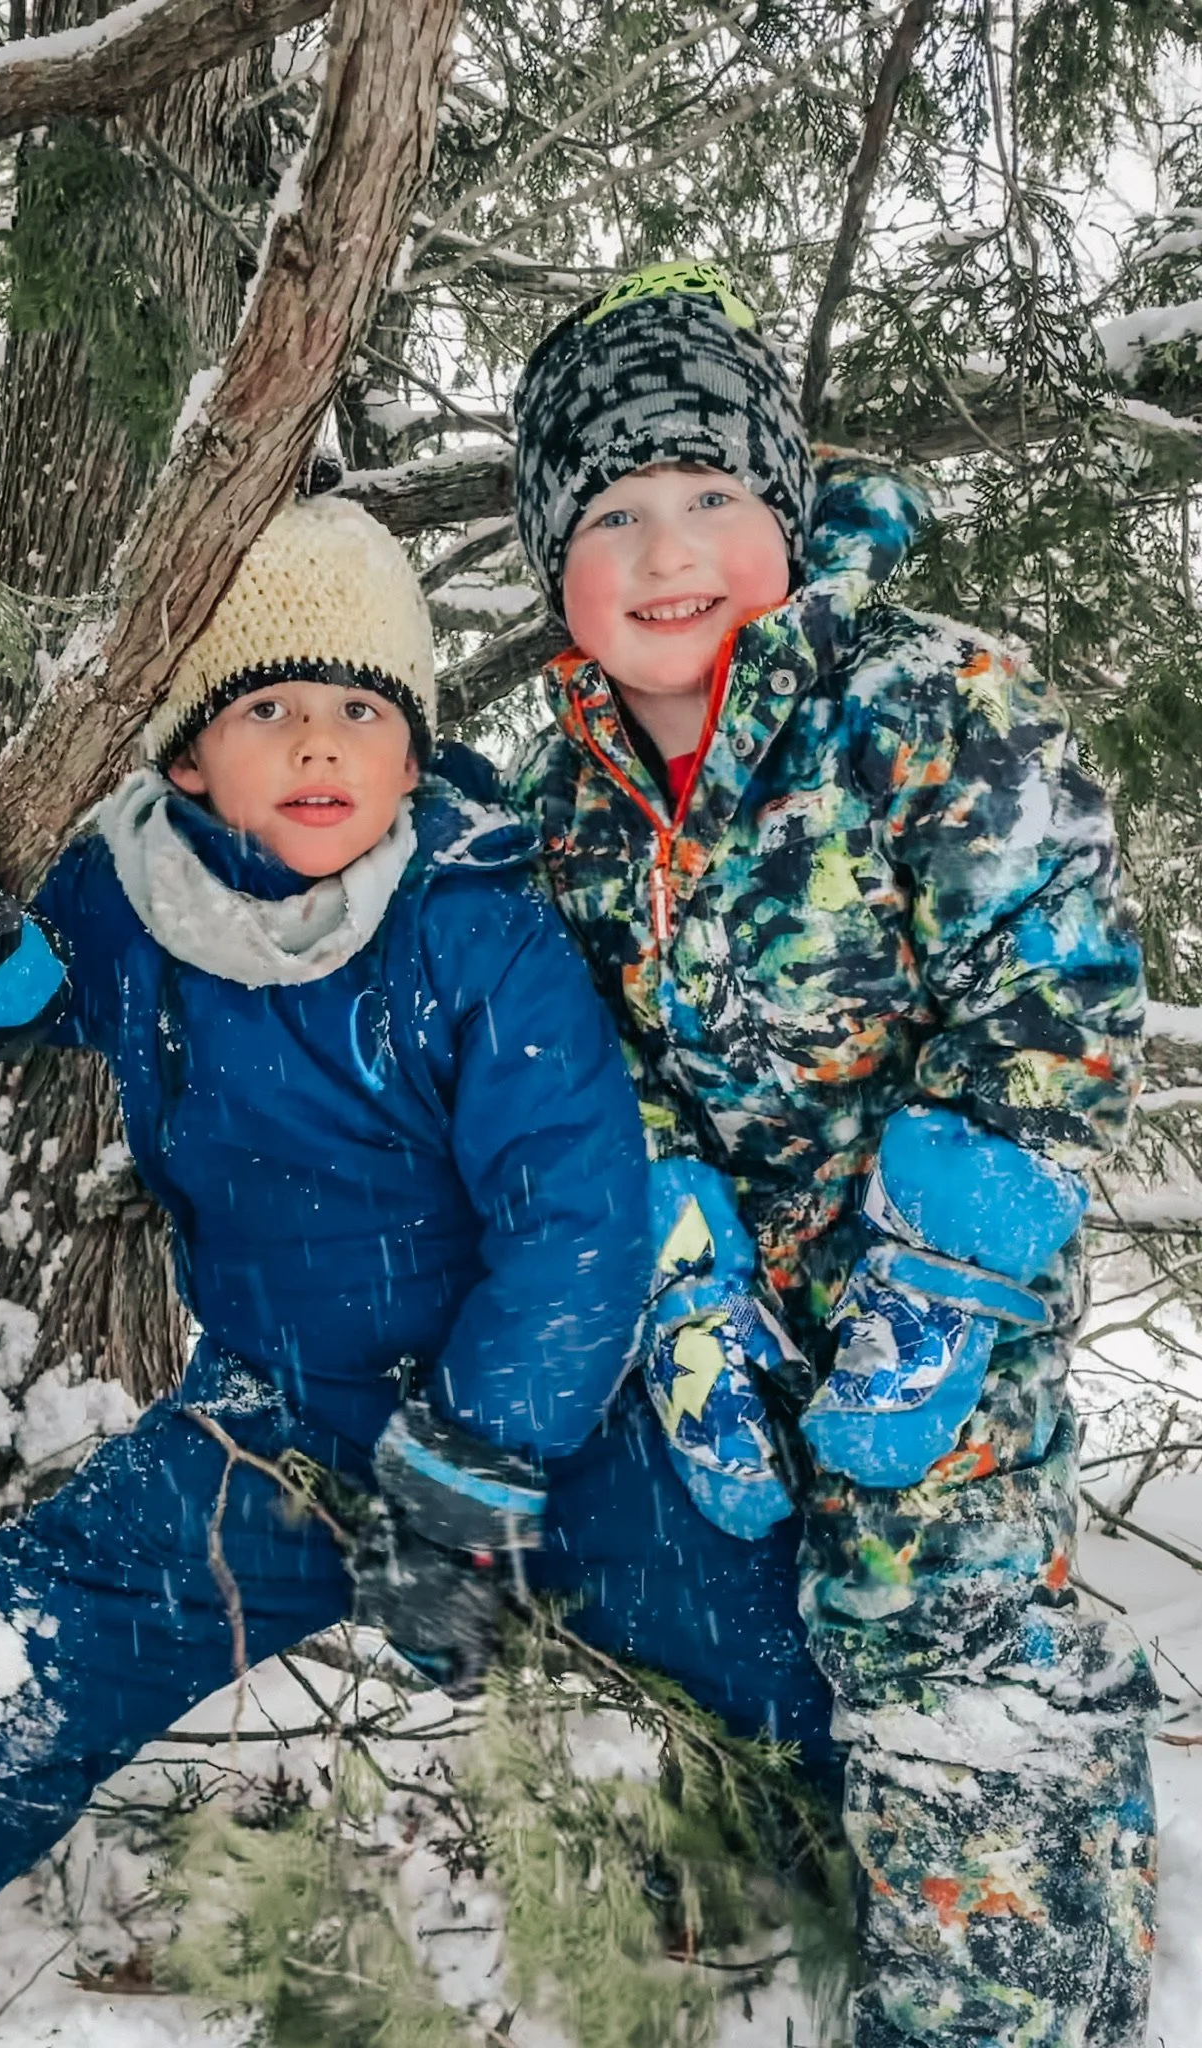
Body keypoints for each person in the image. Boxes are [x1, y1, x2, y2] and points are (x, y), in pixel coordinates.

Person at [0, 488, 835, 2039]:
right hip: (280, 1414)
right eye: (269, 705)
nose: (318, 747)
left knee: (773, 1642)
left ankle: (876, 1853)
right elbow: (58, 984)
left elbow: (577, 1219)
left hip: (546, 1422)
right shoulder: (134, 891)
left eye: (361, 708)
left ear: (413, 751)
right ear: (185, 755)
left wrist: (482, 1454)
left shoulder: (474, 927)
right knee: (22, 1644)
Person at [508, 260, 1161, 2048]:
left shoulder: (923, 702)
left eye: (713, 496)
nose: (668, 552)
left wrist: (944, 1277)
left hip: (951, 1279)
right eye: (616, 511)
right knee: (835, 1631)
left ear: (786, 514)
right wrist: (684, 1267)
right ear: (552, 561)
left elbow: (1054, 976)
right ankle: (1065, 1911)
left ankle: (992, 2009)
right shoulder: (563, 803)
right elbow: (583, 1062)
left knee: (933, 1614)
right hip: (750, 1300)